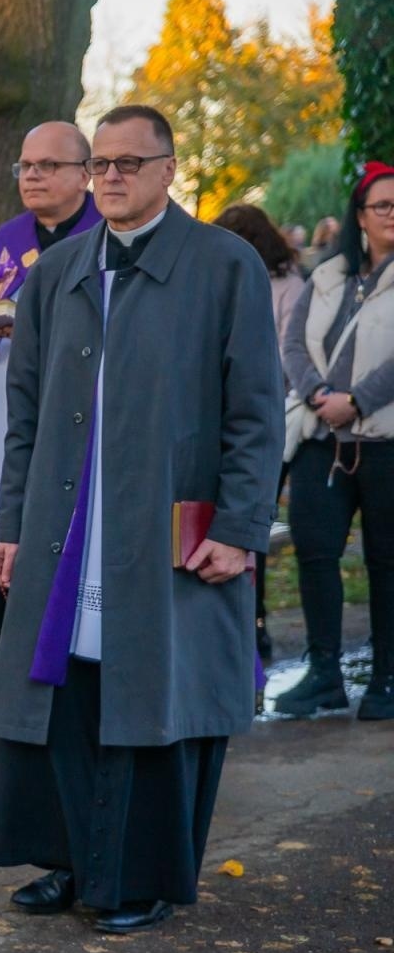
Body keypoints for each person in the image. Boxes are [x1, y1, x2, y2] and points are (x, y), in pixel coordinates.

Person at [0, 105, 283, 934]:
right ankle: (72, 858)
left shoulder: (225, 267)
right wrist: (8, 525)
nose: (112, 176)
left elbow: (257, 413)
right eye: (102, 163)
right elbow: (27, 413)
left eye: (130, 162)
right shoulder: (55, 272)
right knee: (67, 690)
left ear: (168, 169)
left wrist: (241, 527)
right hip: (64, 528)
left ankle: (139, 876)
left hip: (164, 526)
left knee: (154, 693)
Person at [0, 122, 100, 824]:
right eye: (25, 165)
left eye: (48, 166)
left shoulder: (100, 241)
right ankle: (5, 780)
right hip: (3, 450)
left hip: (72, 458)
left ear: (85, 172)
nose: (32, 177)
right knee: (1, 622)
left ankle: (63, 780)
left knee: (56, 623)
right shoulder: (5, 242)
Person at [275, 162, 394, 721]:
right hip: (321, 438)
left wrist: (359, 399)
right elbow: (294, 342)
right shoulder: (327, 275)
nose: (392, 215)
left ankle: (386, 679)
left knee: (386, 561)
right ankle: (324, 675)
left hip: (384, 440)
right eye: (383, 206)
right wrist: (319, 392)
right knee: (316, 555)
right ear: (360, 216)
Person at [212, 202, 306, 663]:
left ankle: (257, 619)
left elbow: (290, 349)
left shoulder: (286, 287)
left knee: (254, 523)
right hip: (218, 416)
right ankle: (244, 616)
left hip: (275, 414)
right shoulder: (213, 280)